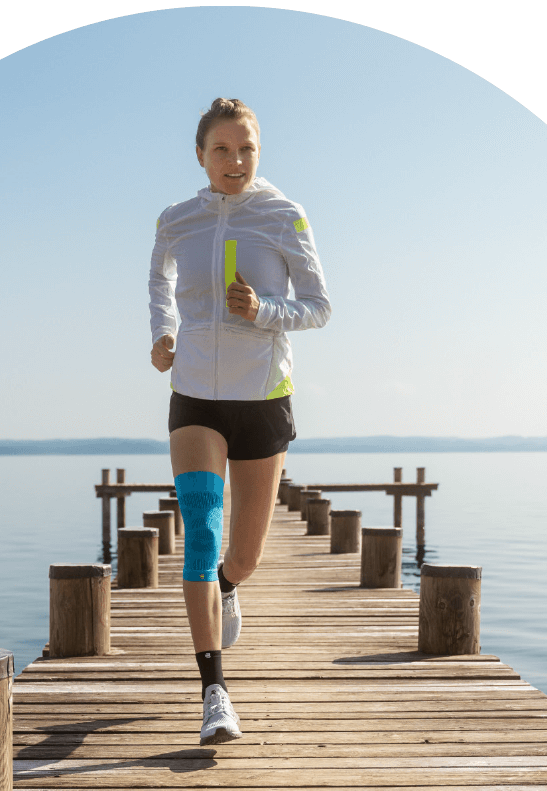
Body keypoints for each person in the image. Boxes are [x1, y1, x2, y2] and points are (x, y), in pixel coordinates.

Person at [149, 98, 331, 745]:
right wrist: (164, 335)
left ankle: (228, 586)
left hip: (262, 396)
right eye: (222, 149)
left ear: (259, 153)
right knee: (199, 534)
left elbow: (318, 307)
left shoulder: (284, 216)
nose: (235, 161)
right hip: (195, 394)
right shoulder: (177, 221)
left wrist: (263, 310)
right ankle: (214, 693)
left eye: (246, 149)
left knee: (244, 556)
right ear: (201, 154)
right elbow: (159, 286)